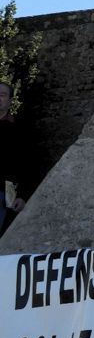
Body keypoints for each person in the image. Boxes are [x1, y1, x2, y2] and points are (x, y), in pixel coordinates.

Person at [0, 81, 34, 237]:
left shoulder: (21, 129)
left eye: (2, 95)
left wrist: (23, 195)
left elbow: (29, 164)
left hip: (5, 194)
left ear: (10, 100)